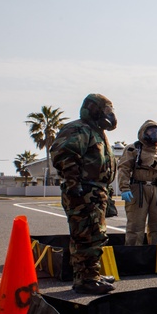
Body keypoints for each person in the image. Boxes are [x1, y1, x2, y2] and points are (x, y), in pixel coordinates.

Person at [49, 94, 118, 295]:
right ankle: (86, 280)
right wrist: (74, 184)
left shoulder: (97, 133)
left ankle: (90, 274)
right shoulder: (79, 128)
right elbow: (65, 154)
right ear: (94, 110)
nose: (110, 116)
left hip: (96, 191)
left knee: (95, 235)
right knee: (85, 236)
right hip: (84, 191)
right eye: (106, 111)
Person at [118, 120, 157, 246]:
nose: (154, 134)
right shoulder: (133, 149)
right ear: (143, 133)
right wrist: (124, 188)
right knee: (135, 226)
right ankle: (134, 256)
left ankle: (156, 255)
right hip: (138, 190)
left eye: (156, 132)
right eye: (150, 131)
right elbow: (124, 168)